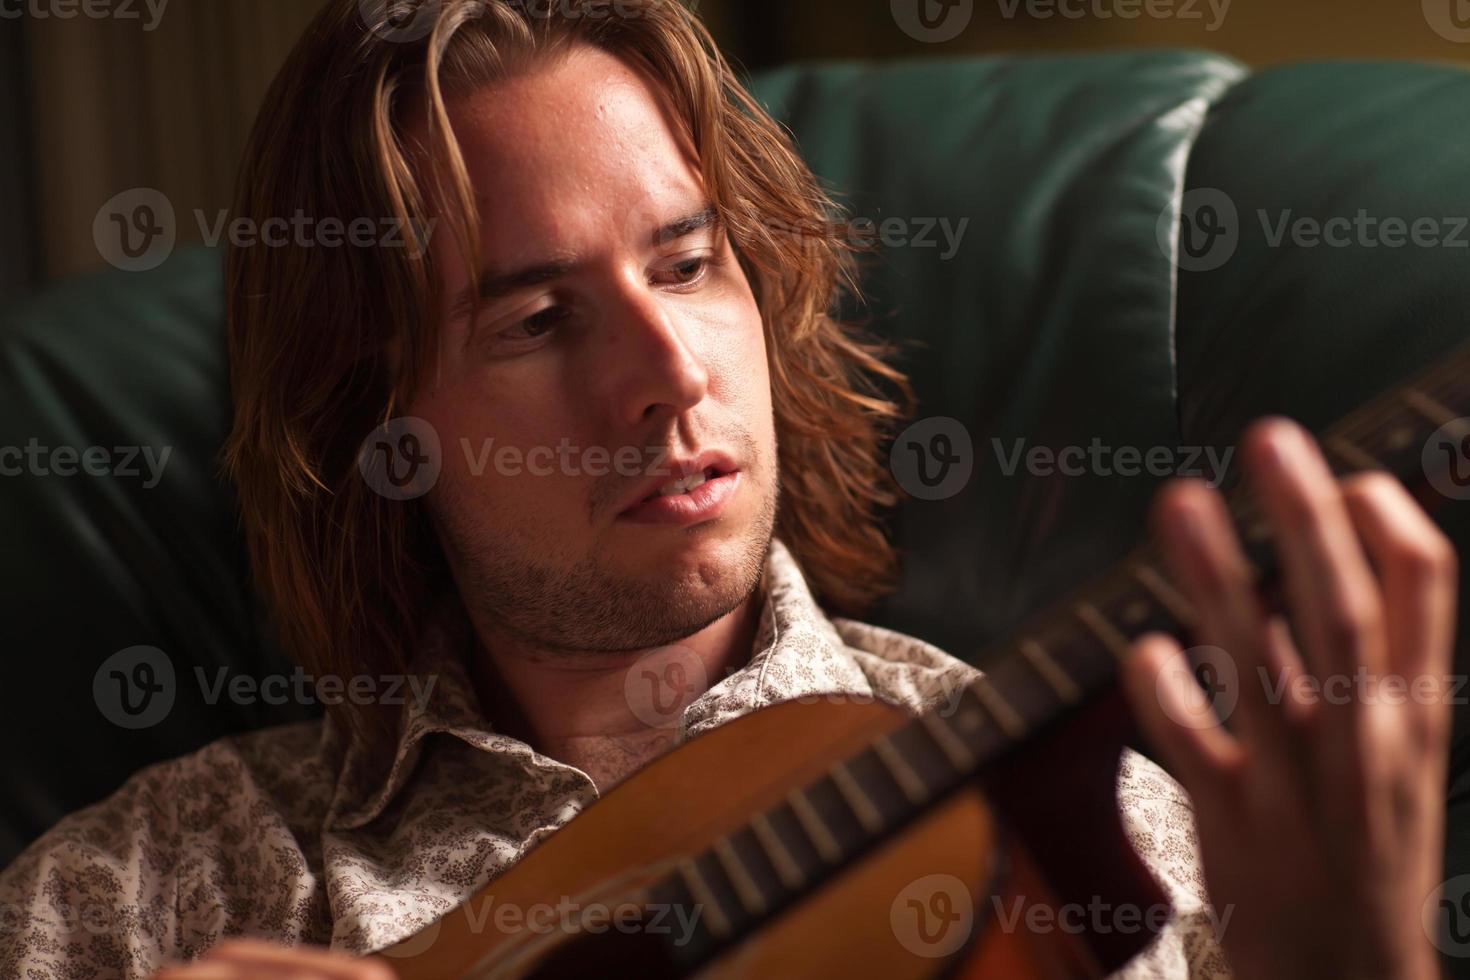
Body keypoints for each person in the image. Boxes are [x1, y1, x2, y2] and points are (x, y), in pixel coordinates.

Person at [0, 1, 1455, 978]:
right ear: (381, 419)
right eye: (533, 320)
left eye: (688, 265)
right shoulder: (131, 892)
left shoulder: (1122, 830)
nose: (665, 370)